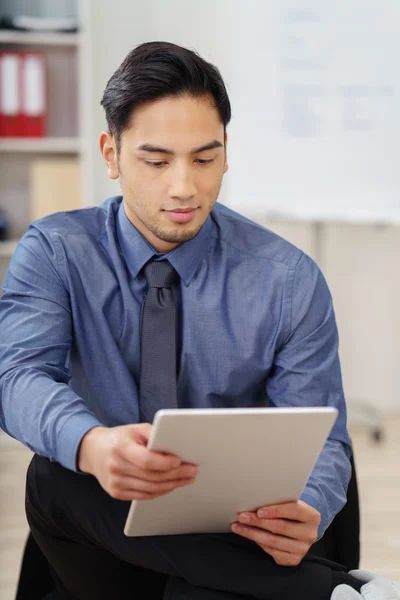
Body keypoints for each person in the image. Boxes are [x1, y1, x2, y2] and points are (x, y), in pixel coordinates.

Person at [0, 41, 381, 600]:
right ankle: (334, 592)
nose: (184, 187)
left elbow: (322, 434)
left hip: (240, 527)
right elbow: (16, 377)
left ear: (227, 152)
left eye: (205, 159)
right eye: (156, 161)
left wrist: (313, 505)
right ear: (111, 154)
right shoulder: (56, 252)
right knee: (55, 476)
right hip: (109, 524)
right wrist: (95, 446)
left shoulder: (288, 279)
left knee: (197, 592)